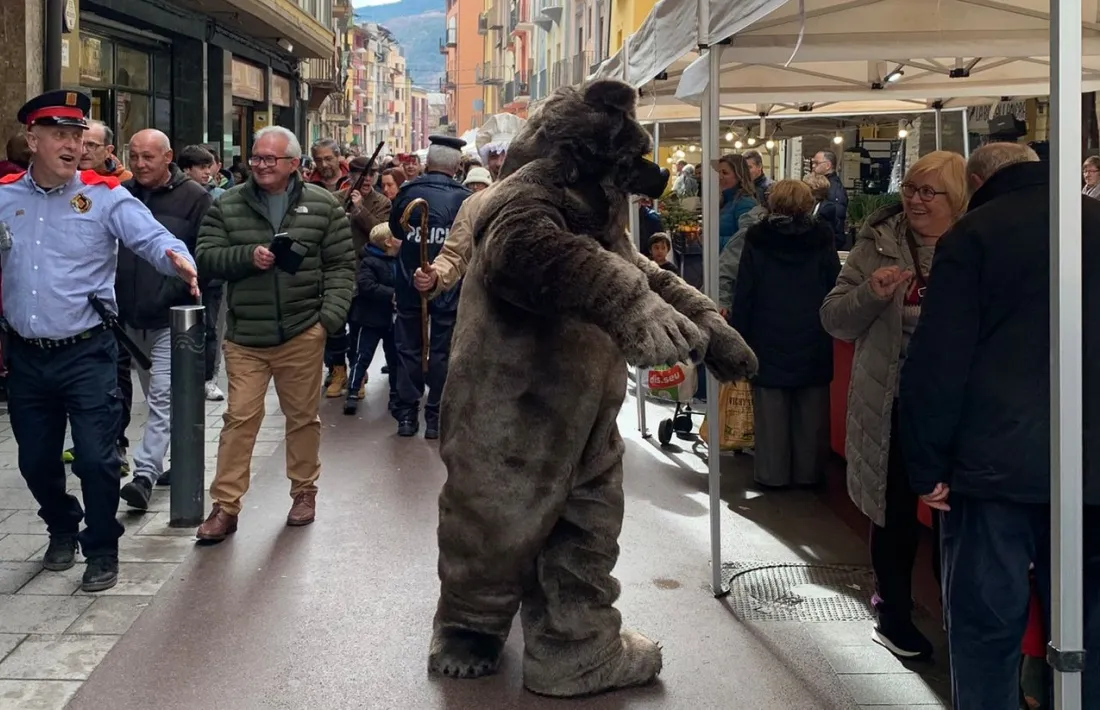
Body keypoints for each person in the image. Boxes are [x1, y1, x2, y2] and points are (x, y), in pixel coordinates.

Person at [899, 142, 1100, 708]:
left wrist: (927, 461)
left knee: (987, 627)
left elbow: (941, 359)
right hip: (1091, 464)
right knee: (1092, 624)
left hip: (995, 465)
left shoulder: (974, 235)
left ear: (978, 180)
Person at [0, 90, 197, 592]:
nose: (73, 146)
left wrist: (176, 257)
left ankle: (102, 546)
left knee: (96, 458)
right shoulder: (5, 197)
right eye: (60, 135)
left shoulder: (104, 195)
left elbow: (152, 238)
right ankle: (62, 526)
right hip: (26, 354)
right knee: (35, 461)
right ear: (33, 139)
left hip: (87, 352)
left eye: (78, 136)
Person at [820, 150, 968, 659]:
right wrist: (871, 293)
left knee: (958, 521)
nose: (916, 200)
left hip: (957, 411)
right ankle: (893, 615)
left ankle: (963, 624)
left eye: (931, 191)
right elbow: (834, 319)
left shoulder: (975, 243)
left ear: (959, 197)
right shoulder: (877, 241)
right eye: (911, 188)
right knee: (894, 516)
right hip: (889, 402)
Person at [194, 125, 355, 542]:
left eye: (270, 159)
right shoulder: (227, 204)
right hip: (246, 335)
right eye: (257, 158)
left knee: (302, 419)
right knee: (239, 420)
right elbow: (206, 257)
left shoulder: (322, 205)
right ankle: (225, 507)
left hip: (303, 332)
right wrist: (248, 256)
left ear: (293, 165)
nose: (261, 165)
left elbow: (341, 266)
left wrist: (327, 321)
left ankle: (304, 493)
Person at [115, 130, 212, 504]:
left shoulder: (195, 198)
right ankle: (171, 457)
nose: (140, 164)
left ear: (167, 156)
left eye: (148, 157)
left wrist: (179, 291)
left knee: (162, 395)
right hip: (130, 316)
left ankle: (144, 473)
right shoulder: (121, 194)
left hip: (173, 317)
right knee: (155, 392)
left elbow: (204, 255)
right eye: (134, 156)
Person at [729, 180, 839, 488]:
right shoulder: (822, 236)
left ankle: (771, 475)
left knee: (770, 413)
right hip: (813, 333)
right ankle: (807, 475)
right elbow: (834, 285)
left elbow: (745, 290)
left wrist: (739, 336)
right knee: (811, 412)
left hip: (767, 334)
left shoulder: (757, 237)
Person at [388, 135, 471, 439]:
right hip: (449, 285)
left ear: (427, 163)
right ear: (457, 166)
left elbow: (396, 229)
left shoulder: (408, 192)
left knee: (408, 347)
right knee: (442, 350)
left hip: (410, 281)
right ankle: (435, 416)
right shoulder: (464, 198)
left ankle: (408, 414)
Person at [177, 144, 228, 401]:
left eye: (209, 167)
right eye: (203, 167)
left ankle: (208, 378)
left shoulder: (217, 196)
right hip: (182, 273)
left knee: (209, 328)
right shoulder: (176, 198)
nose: (208, 172)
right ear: (187, 170)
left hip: (210, 276)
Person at [344, 223, 399, 416]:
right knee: (362, 356)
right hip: (370, 318)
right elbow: (367, 285)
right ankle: (352, 391)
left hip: (392, 319)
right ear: (388, 242)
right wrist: (392, 294)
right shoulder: (369, 261)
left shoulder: (398, 260)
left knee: (395, 359)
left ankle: (395, 394)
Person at [812, 150, 848, 242]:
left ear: (828, 165)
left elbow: (836, 215)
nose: (813, 166)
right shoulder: (829, 185)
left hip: (829, 240)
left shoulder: (832, 188)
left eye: (816, 163)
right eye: (813, 163)